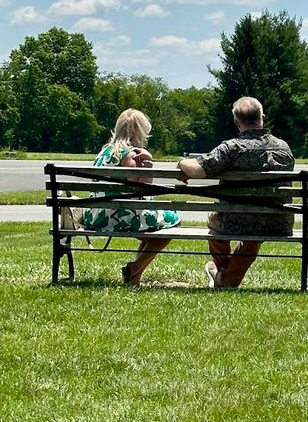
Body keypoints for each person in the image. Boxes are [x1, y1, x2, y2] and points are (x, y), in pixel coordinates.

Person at [176, 96, 295, 289]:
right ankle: (224, 277)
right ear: (262, 117)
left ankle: (222, 277)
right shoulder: (284, 147)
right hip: (280, 222)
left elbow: (197, 170)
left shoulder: (232, 148)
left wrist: (181, 162)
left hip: (236, 221)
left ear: (236, 123)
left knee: (214, 220)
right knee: (253, 228)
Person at [83, 109, 180, 285]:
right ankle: (135, 268)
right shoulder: (131, 154)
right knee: (172, 223)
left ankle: (135, 275)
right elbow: (144, 188)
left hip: (97, 217)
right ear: (140, 131)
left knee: (154, 224)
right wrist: (149, 163)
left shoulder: (104, 152)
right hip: (120, 218)